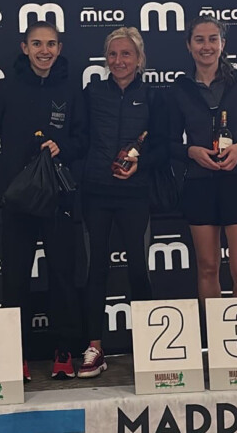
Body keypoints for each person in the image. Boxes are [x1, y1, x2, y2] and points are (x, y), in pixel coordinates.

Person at [0, 21, 87, 382]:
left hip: (58, 198)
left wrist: (64, 146)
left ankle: (64, 351)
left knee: (63, 276)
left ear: (60, 48)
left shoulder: (71, 89)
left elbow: (84, 140)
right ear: (24, 47)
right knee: (14, 279)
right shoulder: (5, 89)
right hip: (17, 199)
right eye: (37, 44)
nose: (44, 51)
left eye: (51, 44)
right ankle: (16, 355)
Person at [78, 27, 167, 378]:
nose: (118, 61)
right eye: (113, 54)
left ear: (139, 58)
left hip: (135, 195)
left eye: (126, 54)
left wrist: (140, 165)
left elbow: (164, 147)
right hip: (96, 194)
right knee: (95, 269)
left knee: (138, 270)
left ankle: (147, 346)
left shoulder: (153, 97)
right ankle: (94, 349)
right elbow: (79, 138)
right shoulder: (92, 93)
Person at [168, 16, 237, 308]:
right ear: (189, 45)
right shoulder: (180, 89)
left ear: (223, 44)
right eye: (199, 40)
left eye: (213, 39)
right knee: (207, 268)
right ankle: (212, 335)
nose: (206, 46)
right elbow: (169, 143)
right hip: (199, 184)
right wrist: (192, 152)